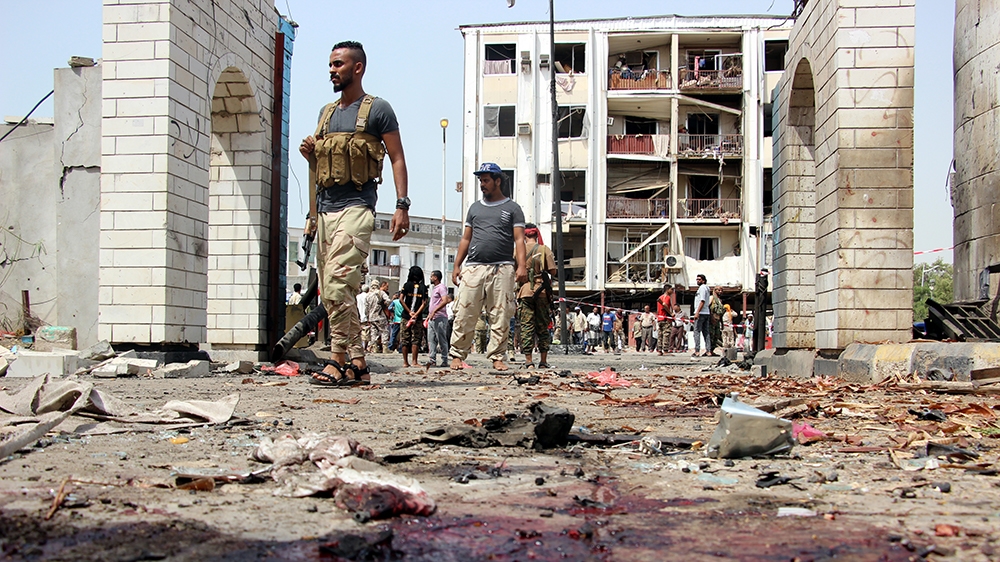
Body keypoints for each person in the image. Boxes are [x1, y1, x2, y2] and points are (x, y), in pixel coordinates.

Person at [300, 41, 410, 386]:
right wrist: (310, 157)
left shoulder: (378, 110)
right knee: (337, 292)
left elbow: (396, 157)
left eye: (338, 64)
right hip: (326, 212)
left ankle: (336, 360)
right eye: (330, 65)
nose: (332, 70)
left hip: (357, 208)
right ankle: (358, 363)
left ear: (357, 68)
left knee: (336, 284)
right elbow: (321, 166)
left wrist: (401, 205)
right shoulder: (326, 113)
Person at [448, 163, 527, 371]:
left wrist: (522, 266)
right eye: (480, 181)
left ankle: (497, 357)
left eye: (486, 180)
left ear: (497, 181)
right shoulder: (474, 208)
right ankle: (457, 355)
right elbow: (466, 238)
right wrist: (456, 265)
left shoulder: (513, 209)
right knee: (465, 312)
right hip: (474, 267)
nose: (482, 184)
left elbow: (519, 240)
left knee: (501, 314)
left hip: (502, 268)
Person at [517, 223, 556, 369]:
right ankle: (543, 361)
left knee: (527, 327)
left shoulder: (518, 250)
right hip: (541, 292)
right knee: (542, 327)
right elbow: (552, 271)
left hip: (525, 291)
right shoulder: (544, 249)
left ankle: (528, 361)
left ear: (524, 235)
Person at [399, 266, 427, 368]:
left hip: (406, 316)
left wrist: (409, 312)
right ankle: (414, 361)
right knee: (416, 338)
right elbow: (424, 303)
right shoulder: (423, 287)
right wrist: (416, 314)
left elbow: (401, 299)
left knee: (405, 338)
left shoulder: (407, 285)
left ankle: (405, 362)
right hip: (418, 317)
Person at [426, 270, 450, 368]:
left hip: (440, 317)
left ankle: (444, 359)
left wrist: (435, 311)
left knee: (441, 339)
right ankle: (432, 359)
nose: (430, 278)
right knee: (431, 339)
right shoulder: (434, 289)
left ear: (436, 277)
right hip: (432, 318)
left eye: (432, 276)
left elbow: (445, 300)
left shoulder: (441, 288)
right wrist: (430, 314)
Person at [365, 280, 390, 353]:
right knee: (384, 331)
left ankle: (375, 347)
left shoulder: (368, 295)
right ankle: (385, 348)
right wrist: (385, 305)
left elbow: (366, 308)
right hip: (380, 315)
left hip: (371, 316)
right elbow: (388, 300)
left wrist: (367, 317)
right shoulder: (381, 293)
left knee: (373, 332)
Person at [692, 274, 714, 356]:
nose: (698, 281)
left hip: (701, 313)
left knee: (696, 331)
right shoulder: (706, 288)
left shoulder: (702, 288)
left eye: (699, 279)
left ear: (703, 280)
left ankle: (697, 351)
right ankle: (708, 351)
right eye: (697, 279)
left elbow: (702, 301)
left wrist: (697, 312)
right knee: (706, 332)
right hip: (706, 312)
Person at [655, 285, 673, 355]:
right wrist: (671, 313)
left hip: (660, 318)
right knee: (666, 334)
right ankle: (665, 350)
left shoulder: (660, 297)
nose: (672, 291)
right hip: (665, 318)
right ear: (667, 289)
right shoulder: (667, 297)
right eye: (671, 289)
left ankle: (659, 350)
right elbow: (664, 305)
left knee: (660, 335)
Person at [710, 287, 725, 352]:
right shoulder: (711, 298)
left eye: (721, 290)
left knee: (717, 335)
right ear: (715, 290)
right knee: (711, 335)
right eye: (718, 290)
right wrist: (711, 317)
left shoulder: (720, 300)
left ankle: (712, 350)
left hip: (718, 320)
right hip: (712, 319)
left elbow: (721, 313)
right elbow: (708, 308)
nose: (720, 291)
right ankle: (709, 350)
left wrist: (722, 323)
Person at [356, 285, 370, 352]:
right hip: (365, 317)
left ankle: (359, 346)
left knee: (358, 331)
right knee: (366, 332)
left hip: (358, 316)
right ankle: (364, 347)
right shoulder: (368, 296)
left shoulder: (357, 296)